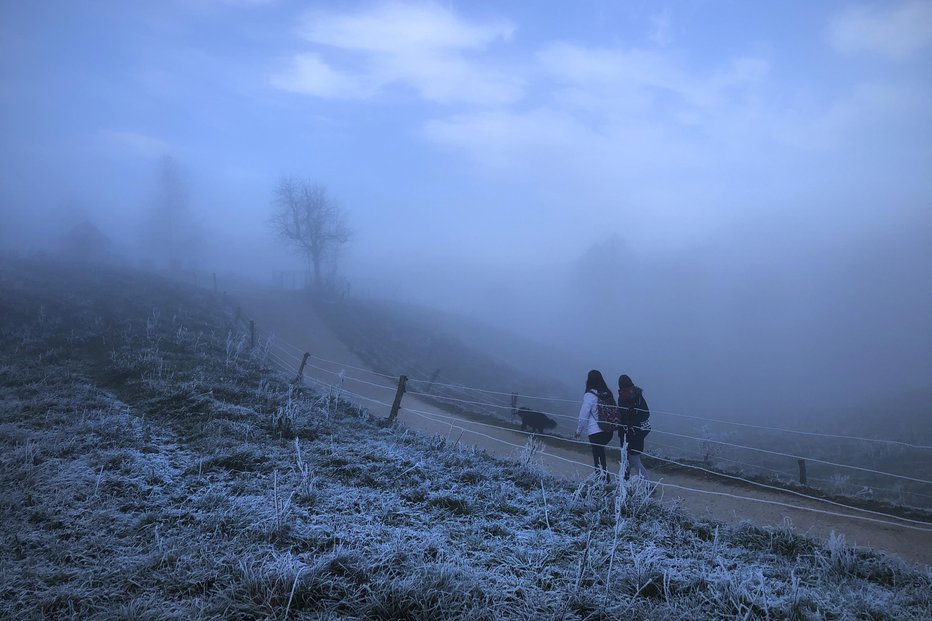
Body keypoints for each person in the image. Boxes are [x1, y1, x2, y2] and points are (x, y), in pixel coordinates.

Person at [574, 369, 615, 477]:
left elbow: (584, 415)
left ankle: (602, 480)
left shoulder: (590, 395)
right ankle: (603, 478)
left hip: (595, 431)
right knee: (601, 453)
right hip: (608, 430)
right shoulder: (607, 393)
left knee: (598, 456)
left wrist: (578, 430)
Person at [617, 374, 650, 480]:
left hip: (631, 432)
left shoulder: (622, 397)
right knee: (629, 459)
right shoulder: (638, 395)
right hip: (638, 432)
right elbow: (646, 414)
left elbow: (623, 415)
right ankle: (625, 482)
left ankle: (648, 485)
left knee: (633, 460)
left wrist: (630, 417)